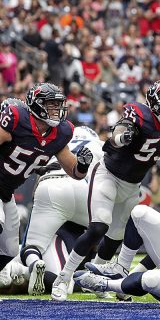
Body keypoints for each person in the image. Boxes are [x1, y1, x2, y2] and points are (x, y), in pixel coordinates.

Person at [51, 80, 160, 301]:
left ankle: (97, 282)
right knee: (97, 228)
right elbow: (120, 130)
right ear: (156, 104)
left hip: (133, 185)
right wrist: (120, 137)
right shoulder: (140, 114)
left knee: (114, 239)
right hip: (109, 175)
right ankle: (63, 278)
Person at [0, 83, 93, 274]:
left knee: (9, 250)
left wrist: (82, 164)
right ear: (36, 104)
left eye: (58, 105)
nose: (56, 110)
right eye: (51, 104)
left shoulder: (61, 132)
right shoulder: (17, 118)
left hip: (6, 191)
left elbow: (75, 173)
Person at [19, 126, 104, 296]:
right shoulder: (99, 145)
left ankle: (32, 264)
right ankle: (100, 272)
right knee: (105, 228)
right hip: (85, 187)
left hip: (50, 184)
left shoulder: (57, 141)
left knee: (31, 246)